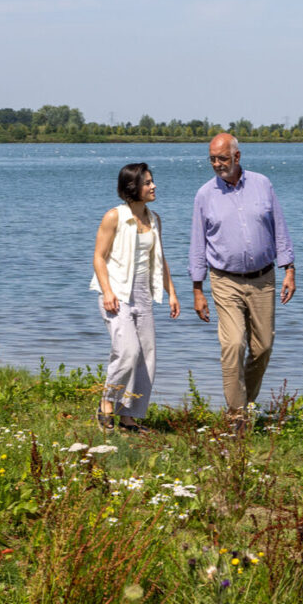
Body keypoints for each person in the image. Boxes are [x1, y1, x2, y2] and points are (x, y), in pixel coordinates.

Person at [189, 133, 295, 421]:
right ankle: (237, 416)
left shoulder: (262, 184)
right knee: (233, 343)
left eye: (222, 158)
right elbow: (198, 244)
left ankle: (244, 401)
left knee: (263, 347)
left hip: (264, 278)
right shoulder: (204, 195)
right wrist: (197, 289)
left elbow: (280, 227)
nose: (216, 164)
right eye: (212, 158)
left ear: (237, 156)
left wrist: (289, 268)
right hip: (224, 280)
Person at [91, 163, 180, 431]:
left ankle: (128, 418)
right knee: (127, 351)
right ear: (133, 188)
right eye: (147, 183)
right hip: (116, 293)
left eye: (153, 181)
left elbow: (160, 259)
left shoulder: (155, 220)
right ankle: (106, 404)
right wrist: (107, 291)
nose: (153, 186)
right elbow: (98, 257)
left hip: (144, 294)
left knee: (145, 357)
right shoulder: (114, 217)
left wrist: (172, 293)